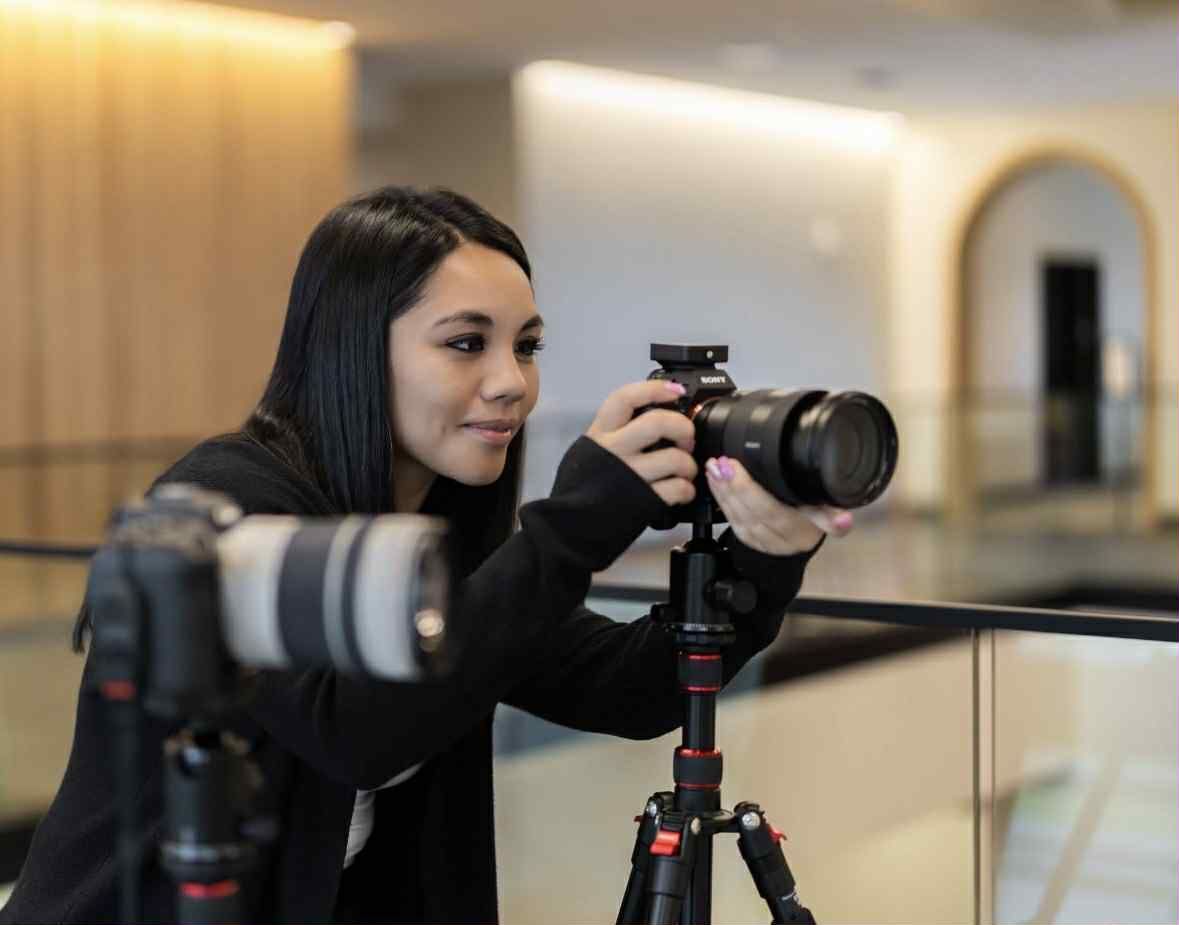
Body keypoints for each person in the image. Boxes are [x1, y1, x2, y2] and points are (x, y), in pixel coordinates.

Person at [0, 187, 852, 924]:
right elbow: (359, 731)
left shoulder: (439, 533)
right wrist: (575, 525)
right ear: (353, 349)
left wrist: (766, 556)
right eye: (465, 342)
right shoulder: (229, 507)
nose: (511, 381)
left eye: (526, 345)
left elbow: (631, 687)